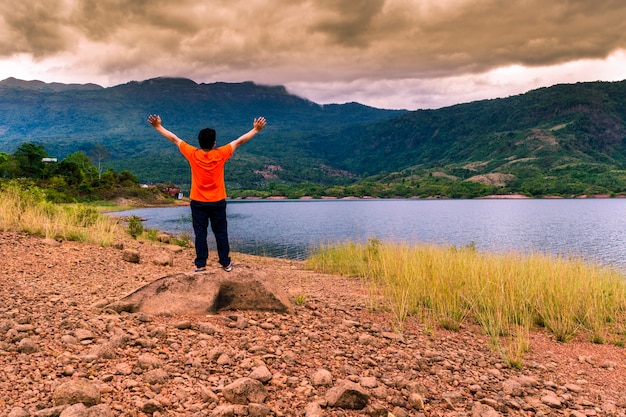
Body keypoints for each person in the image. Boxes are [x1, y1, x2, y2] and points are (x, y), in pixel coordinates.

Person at [147, 114, 267, 272]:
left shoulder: (193, 154)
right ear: (214, 143)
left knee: (200, 234)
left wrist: (158, 126)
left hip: (198, 202)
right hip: (217, 202)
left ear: (199, 142)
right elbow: (239, 141)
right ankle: (225, 263)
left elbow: (175, 139)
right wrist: (256, 129)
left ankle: (201, 264)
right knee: (221, 233)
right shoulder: (221, 154)